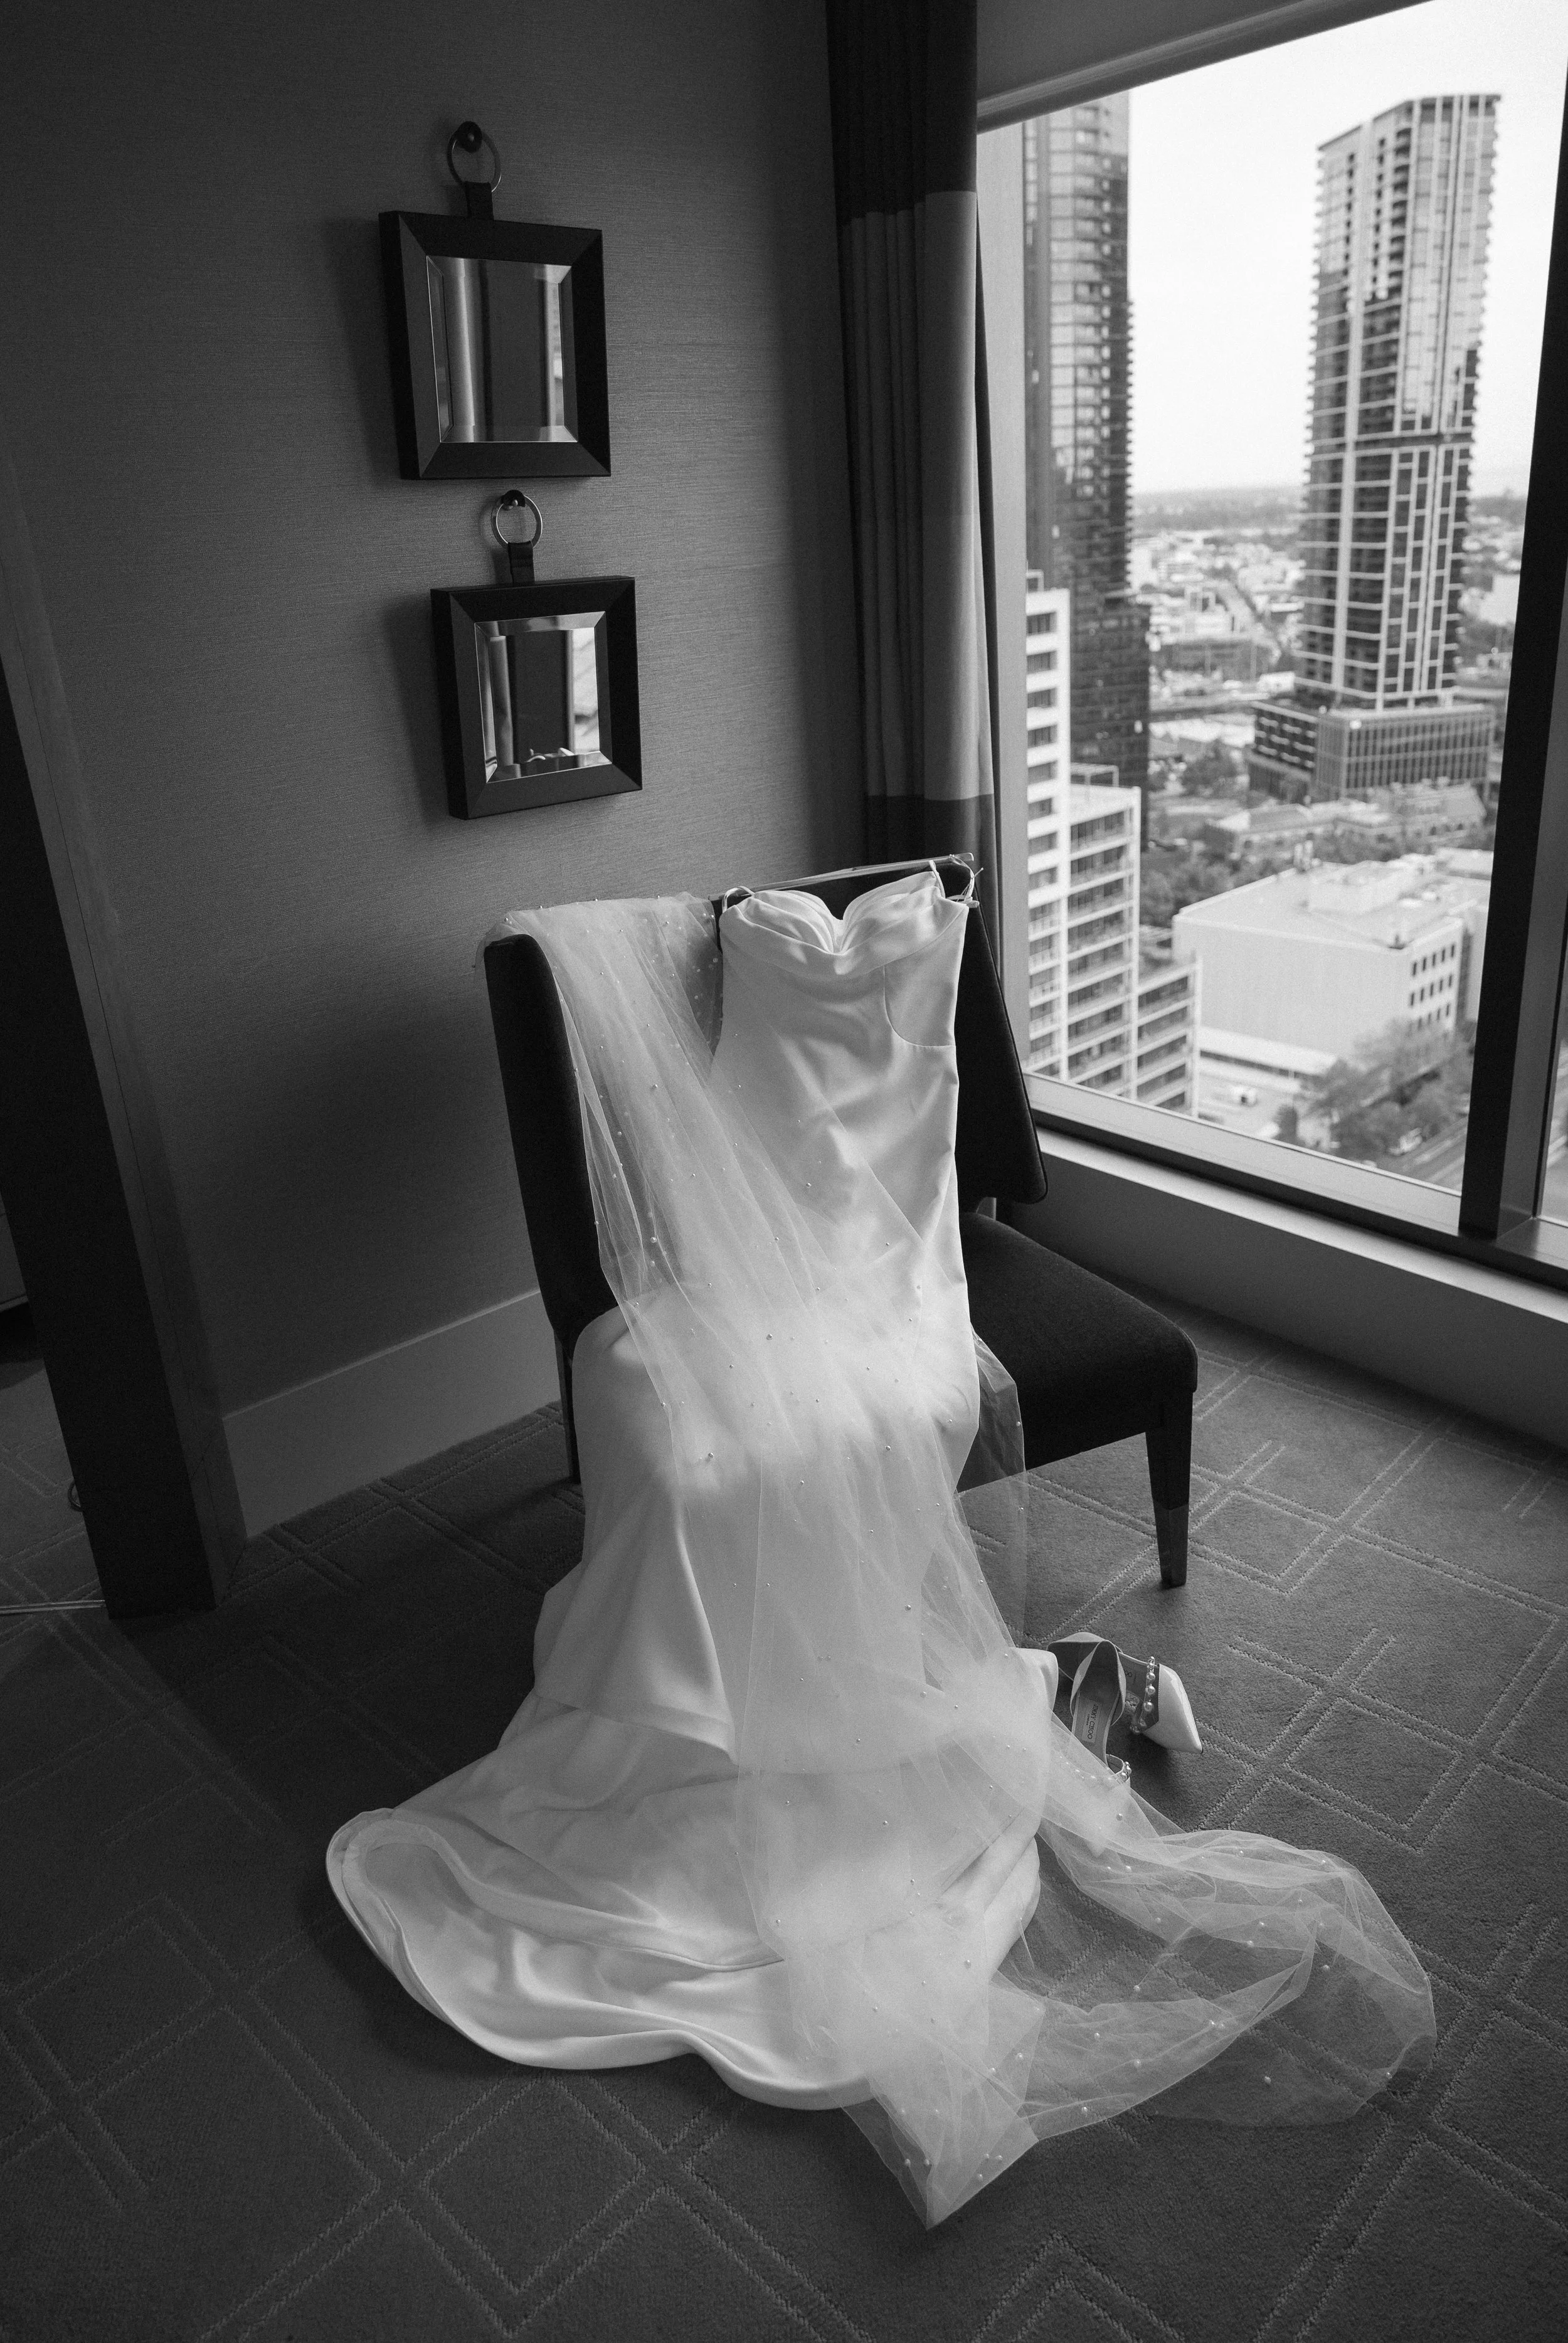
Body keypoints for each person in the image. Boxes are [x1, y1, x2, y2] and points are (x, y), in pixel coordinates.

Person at [330, 867, 1433, 2224]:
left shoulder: (933, 918)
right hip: (774, 1262)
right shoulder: (732, 958)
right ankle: (1017, 1689)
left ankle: (1027, 1686)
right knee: (725, 1473)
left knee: (868, 1414)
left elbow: (938, 1149)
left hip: (895, 1247)